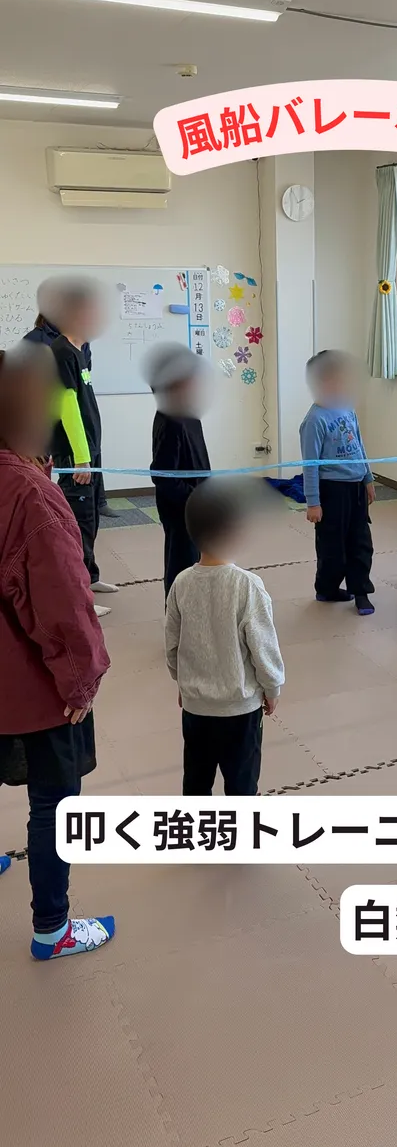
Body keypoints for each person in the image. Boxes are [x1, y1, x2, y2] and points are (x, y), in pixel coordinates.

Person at [0, 342, 114, 958]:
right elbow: (64, 605)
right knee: (53, 799)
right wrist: (81, 681)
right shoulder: (30, 496)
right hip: (30, 682)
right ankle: (53, 927)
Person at [165, 478, 285, 796]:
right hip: (240, 710)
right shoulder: (247, 586)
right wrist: (272, 687)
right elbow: (263, 646)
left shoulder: (181, 583)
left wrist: (183, 682)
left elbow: (172, 644)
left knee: (196, 783)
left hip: (196, 708)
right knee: (242, 785)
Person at [39, 276, 118, 617]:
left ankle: (91, 576)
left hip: (90, 451)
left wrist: (92, 452)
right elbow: (67, 407)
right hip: (76, 456)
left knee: (92, 517)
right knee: (78, 523)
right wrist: (81, 459)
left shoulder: (79, 351)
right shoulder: (60, 353)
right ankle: (79, 594)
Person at [300, 350, 376, 615]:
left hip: (356, 487)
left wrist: (367, 477)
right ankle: (327, 588)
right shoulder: (314, 420)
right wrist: (313, 502)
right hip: (331, 490)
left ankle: (361, 591)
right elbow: (310, 465)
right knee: (332, 545)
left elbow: (359, 445)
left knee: (361, 541)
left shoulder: (348, 408)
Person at [24, 314, 118, 517]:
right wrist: (81, 456)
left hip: (85, 439)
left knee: (87, 509)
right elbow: (66, 403)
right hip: (54, 429)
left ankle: (98, 502)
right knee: (74, 508)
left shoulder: (79, 347)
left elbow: (81, 387)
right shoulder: (50, 346)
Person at [146, 344, 211, 602]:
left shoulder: (189, 414)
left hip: (198, 505)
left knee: (200, 565)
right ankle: (177, 616)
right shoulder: (170, 419)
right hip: (181, 509)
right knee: (181, 566)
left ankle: (197, 614)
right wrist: (192, 498)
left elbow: (200, 460)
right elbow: (162, 475)